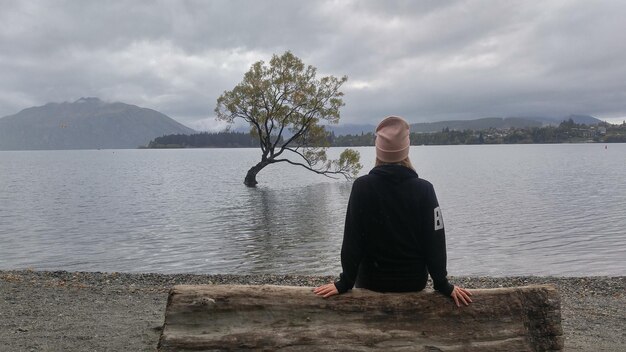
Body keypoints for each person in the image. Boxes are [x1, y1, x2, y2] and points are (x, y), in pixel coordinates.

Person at [314, 116, 472, 307]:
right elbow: (435, 241)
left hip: (371, 281)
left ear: (378, 150)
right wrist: (442, 284)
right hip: (412, 282)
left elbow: (352, 239)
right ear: (407, 149)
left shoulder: (362, 187)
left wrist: (345, 282)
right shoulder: (424, 189)